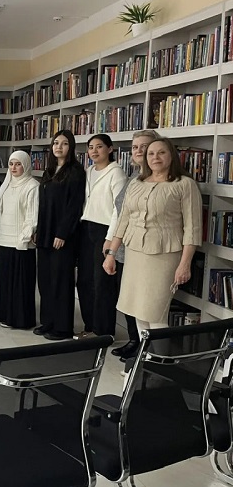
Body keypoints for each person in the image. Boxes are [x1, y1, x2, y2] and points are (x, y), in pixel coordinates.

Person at [103, 137, 202, 333]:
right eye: (151, 153)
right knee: (138, 312)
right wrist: (111, 254)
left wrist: (185, 264)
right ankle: (146, 351)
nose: (155, 157)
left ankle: (160, 353)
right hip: (134, 253)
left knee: (155, 313)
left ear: (171, 156)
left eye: (161, 152)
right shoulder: (136, 183)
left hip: (164, 255)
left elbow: (193, 228)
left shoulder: (185, 184)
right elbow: (123, 220)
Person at [103, 130, 159, 360]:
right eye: (135, 147)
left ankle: (146, 347)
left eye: (144, 146)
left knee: (142, 300)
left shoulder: (160, 180)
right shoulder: (133, 178)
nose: (138, 151)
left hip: (145, 248)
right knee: (127, 298)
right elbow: (120, 213)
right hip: (124, 245)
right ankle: (134, 340)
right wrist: (111, 243)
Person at [34, 130, 86, 341]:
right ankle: (48, 322)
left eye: (64, 143)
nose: (59, 147)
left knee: (61, 281)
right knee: (45, 280)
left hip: (62, 235)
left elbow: (74, 206)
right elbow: (43, 205)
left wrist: (62, 233)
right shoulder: (48, 171)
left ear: (71, 147)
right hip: (45, 234)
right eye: (56, 143)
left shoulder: (76, 172)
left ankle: (62, 327)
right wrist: (38, 230)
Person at [76, 133, 127, 338]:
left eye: (99, 146)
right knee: (85, 280)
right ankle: (90, 327)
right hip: (86, 228)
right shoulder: (88, 171)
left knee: (102, 283)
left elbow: (118, 210)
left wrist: (110, 238)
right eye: (90, 147)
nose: (94, 151)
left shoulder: (116, 173)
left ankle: (103, 331)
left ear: (110, 149)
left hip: (105, 230)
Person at [0, 150, 39, 329]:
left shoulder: (32, 186)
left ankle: (19, 319)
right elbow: (0, 214)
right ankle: (4, 315)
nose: (14, 168)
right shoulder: (6, 185)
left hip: (21, 244)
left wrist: (24, 239)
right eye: (11, 164)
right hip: (4, 240)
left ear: (25, 165)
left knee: (20, 284)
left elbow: (32, 216)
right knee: (5, 281)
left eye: (18, 164)